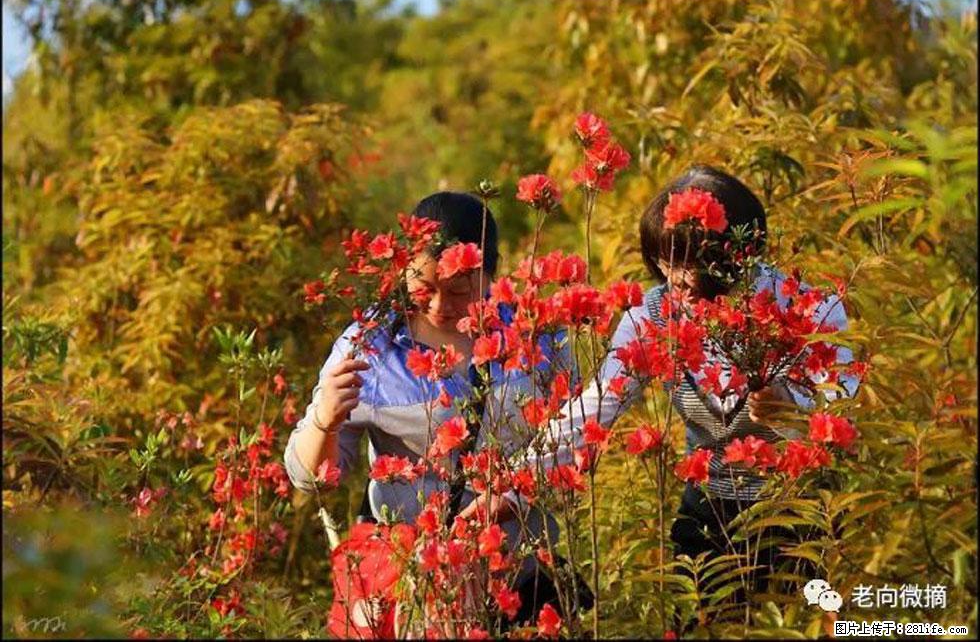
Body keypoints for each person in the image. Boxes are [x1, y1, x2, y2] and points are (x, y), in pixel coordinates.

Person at [516, 165, 861, 623]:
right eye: (666, 261)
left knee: (805, 623)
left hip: (795, 506)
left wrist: (791, 410)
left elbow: (847, 409)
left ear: (738, 255)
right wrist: (517, 482)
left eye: (692, 264)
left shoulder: (807, 308)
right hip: (705, 508)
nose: (676, 278)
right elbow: (597, 405)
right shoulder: (652, 313)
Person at [283, 191, 579, 630]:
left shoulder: (538, 336)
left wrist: (513, 493)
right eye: (424, 289)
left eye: (460, 290)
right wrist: (324, 420)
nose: (441, 306)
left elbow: (571, 441)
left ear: (491, 275)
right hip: (410, 578)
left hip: (521, 570)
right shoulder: (371, 346)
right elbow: (310, 479)